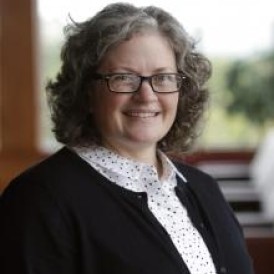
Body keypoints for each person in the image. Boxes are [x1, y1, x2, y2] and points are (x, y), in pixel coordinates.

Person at [0, 3, 254, 274]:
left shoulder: (205, 188)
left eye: (163, 77)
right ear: (86, 91)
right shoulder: (40, 201)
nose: (146, 96)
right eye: (124, 78)